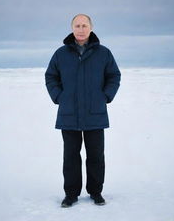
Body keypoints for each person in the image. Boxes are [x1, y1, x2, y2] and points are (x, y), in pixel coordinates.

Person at [45, 14, 121, 207]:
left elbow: (114, 76)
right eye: (77, 25)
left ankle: (96, 192)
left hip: (95, 113)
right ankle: (71, 194)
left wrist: (105, 96)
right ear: (72, 28)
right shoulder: (60, 54)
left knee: (96, 155)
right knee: (70, 156)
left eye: (84, 25)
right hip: (69, 113)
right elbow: (51, 77)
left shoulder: (103, 53)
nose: (80, 29)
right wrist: (59, 97)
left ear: (91, 28)